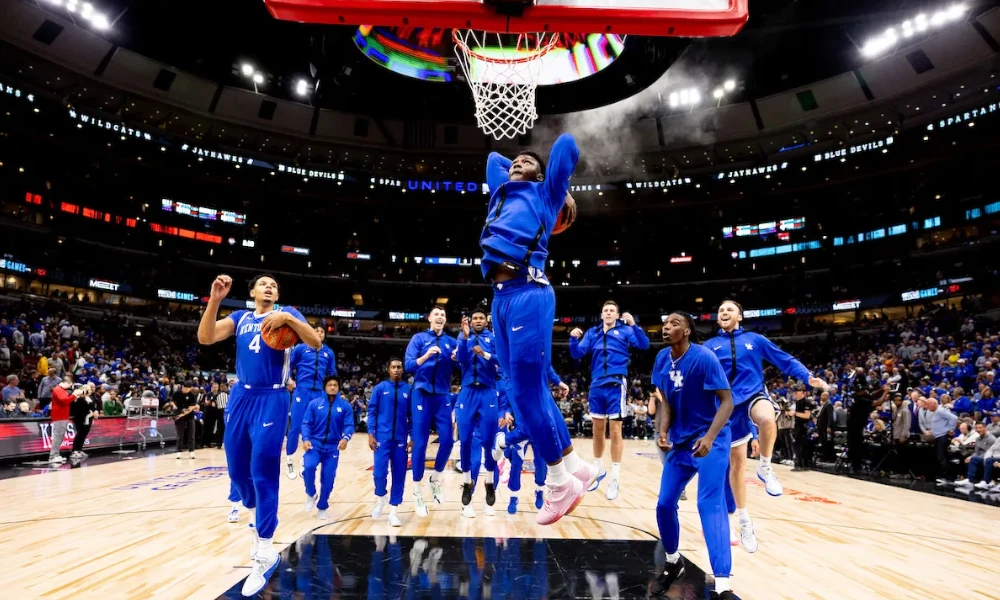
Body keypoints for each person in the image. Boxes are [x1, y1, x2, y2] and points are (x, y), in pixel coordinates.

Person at [480, 133, 599, 526]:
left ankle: (560, 482)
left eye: (526, 162)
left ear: (541, 174)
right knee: (523, 390)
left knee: (526, 392)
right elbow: (495, 156)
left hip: (529, 291)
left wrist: (554, 183)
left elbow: (567, 144)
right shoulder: (503, 191)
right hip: (499, 297)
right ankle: (575, 463)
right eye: (516, 163)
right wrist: (518, 165)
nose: (516, 163)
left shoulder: (546, 194)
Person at [197, 273, 322, 597]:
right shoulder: (239, 318)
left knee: (263, 470)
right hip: (242, 397)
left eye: (274, 285)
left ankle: (264, 549)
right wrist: (215, 299)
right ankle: (255, 512)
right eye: (263, 284)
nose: (269, 287)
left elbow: (315, 342)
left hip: (273, 397)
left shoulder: (287, 315)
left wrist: (288, 318)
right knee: (238, 474)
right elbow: (206, 337)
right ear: (252, 291)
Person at [703, 300, 826, 554]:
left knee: (768, 419)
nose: (724, 312)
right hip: (726, 407)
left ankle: (766, 467)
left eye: (730, 309)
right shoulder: (709, 346)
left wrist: (807, 376)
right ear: (717, 319)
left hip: (753, 395)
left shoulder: (755, 340)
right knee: (734, 468)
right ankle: (744, 521)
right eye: (721, 310)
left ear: (740, 316)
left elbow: (784, 359)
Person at [650, 313, 735, 600]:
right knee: (664, 504)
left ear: (686, 331)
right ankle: (673, 562)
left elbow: (727, 401)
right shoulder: (662, 359)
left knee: (708, 503)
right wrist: (663, 432)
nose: (667, 327)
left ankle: (723, 584)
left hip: (711, 437)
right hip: (683, 442)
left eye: (674, 323)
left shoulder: (704, 357)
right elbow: (667, 403)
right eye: (665, 323)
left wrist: (710, 437)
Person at [569, 300, 650, 500]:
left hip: (616, 383)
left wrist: (633, 325)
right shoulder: (592, 333)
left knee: (615, 431)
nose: (608, 313)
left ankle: (615, 476)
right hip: (597, 383)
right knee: (597, 431)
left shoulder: (625, 331)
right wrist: (572, 339)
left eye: (612, 310)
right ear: (602, 314)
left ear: (617, 314)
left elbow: (644, 345)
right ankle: (597, 471)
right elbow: (577, 353)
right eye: (605, 310)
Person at [403, 306, 459, 515]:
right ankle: (417, 491)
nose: (440, 317)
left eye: (443, 315)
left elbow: (462, 363)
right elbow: (409, 365)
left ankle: (435, 477)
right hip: (421, 393)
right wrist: (426, 355)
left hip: (442, 395)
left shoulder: (450, 342)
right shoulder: (418, 339)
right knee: (420, 443)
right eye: (436, 314)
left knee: (448, 440)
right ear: (429, 318)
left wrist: (458, 356)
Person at [493, 364, 566, 513]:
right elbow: (506, 404)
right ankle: (513, 496)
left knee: (540, 464)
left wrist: (558, 382)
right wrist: (506, 414)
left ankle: (539, 491)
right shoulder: (510, 382)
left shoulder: (538, 383)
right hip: (521, 429)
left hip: (538, 429)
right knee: (516, 465)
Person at [454, 310, 501, 518]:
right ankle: (466, 482)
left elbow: (502, 360)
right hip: (467, 392)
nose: (478, 321)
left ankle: (489, 482)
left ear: (486, 321)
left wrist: (485, 354)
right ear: (470, 322)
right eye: (475, 319)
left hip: (488, 391)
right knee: (464, 440)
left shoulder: (493, 338)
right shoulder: (463, 335)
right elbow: (462, 360)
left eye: (481, 318)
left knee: (490, 442)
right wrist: (464, 337)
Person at [286, 326, 338, 479]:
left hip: (320, 393)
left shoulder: (328, 352)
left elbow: (332, 373)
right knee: (295, 426)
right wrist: (288, 379)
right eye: (316, 330)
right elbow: (288, 365)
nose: (319, 333)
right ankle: (289, 460)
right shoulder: (301, 348)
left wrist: (333, 391)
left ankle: (306, 461)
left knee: (315, 429)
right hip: (302, 390)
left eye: (322, 331)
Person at [300, 375, 354, 520]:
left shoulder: (344, 406)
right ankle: (311, 493)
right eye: (329, 384)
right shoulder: (314, 404)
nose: (332, 387)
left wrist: (346, 438)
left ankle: (322, 506)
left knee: (328, 478)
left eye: (335, 385)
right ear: (324, 387)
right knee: (308, 468)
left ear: (338, 388)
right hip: (315, 444)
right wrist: (305, 439)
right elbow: (306, 423)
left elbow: (349, 425)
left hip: (332, 447)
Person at [367, 359, 412, 527]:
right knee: (379, 473)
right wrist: (371, 433)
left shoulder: (408, 390)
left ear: (402, 370)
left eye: (399, 367)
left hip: (400, 439)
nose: (396, 370)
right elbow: (372, 411)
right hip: (381, 438)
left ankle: (393, 511)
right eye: (393, 367)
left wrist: (412, 437)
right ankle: (381, 496)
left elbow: (412, 416)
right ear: (388, 369)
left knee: (399, 475)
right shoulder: (380, 389)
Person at [48, 377, 81, 464]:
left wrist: (74, 395)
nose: (70, 387)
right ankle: (53, 456)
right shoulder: (58, 389)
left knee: (60, 436)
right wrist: (74, 395)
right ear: (66, 382)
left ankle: (56, 455)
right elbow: (65, 401)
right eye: (70, 385)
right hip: (59, 417)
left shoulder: (61, 390)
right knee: (57, 436)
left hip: (63, 416)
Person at [70, 383, 98, 460]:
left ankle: (79, 449)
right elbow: (81, 410)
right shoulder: (80, 399)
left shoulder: (90, 398)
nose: (90, 390)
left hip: (88, 419)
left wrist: (95, 411)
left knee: (84, 435)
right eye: (88, 389)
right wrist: (91, 411)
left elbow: (94, 407)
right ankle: (74, 451)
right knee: (79, 434)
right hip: (80, 419)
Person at [173, 380, 200, 459]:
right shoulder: (177, 394)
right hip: (178, 415)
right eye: (185, 388)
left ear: (190, 388)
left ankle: (191, 451)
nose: (186, 390)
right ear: (183, 387)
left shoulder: (192, 395)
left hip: (189, 416)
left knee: (191, 435)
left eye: (188, 389)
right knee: (179, 435)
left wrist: (181, 415)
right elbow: (171, 402)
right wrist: (173, 407)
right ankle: (178, 451)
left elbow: (190, 408)